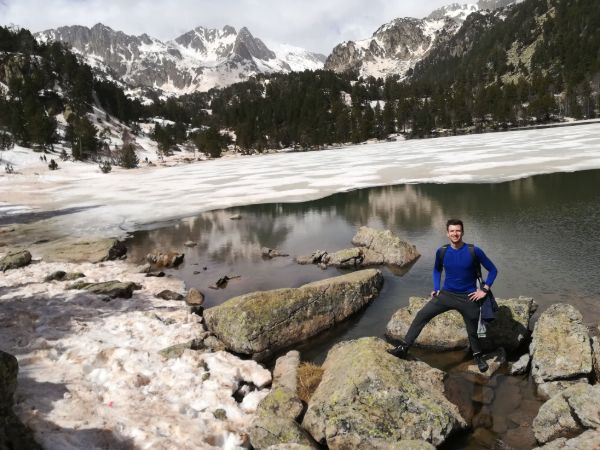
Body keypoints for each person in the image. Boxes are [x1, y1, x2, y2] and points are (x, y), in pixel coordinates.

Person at [387, 219, 498, 372]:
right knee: (422, 315)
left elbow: (493, 270)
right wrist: (436, 287)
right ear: (447, 233)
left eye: (458, 230)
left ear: (463, 232)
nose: (455, 233)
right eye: (452, 231)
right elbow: (436, 270)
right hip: (447, 295)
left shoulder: (474, 251)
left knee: (472, 330)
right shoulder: (442, 251)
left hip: (468, 297)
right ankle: (404, 347)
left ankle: (478, 356)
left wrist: (484, 290)